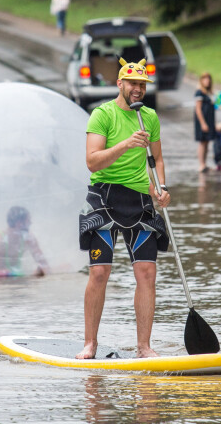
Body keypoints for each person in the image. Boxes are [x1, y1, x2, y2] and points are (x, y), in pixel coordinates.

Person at [77, 57, 170, 359]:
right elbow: (93, 161)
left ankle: (144, 346)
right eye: (132, 83)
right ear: (120, 84)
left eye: (142, 85)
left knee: (146, 273)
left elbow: (157, 160)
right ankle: (90, 343)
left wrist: (161, 188)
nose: (138, 89)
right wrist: (126, 145)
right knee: (100, 272)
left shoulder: (150, 117)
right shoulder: (102, 115)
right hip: (103, 198)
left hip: (140, 200)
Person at [0, 206, 50, 277]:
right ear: (19, 223)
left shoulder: (29, 238)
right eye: (28, 220)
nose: (30, 223)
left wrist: (41, 271)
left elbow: (43, 263)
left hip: (13, 277)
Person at [194, 72, 216, 172]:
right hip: (203, 121)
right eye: (205, 79)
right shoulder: (199, 92)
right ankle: (201, 164)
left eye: (208, 79)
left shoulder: (209, 93)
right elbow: (198, 109)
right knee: (202, 142)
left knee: (207, 142)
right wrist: (203, 123)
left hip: (209, 120)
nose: (207, 81)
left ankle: (205, 163)